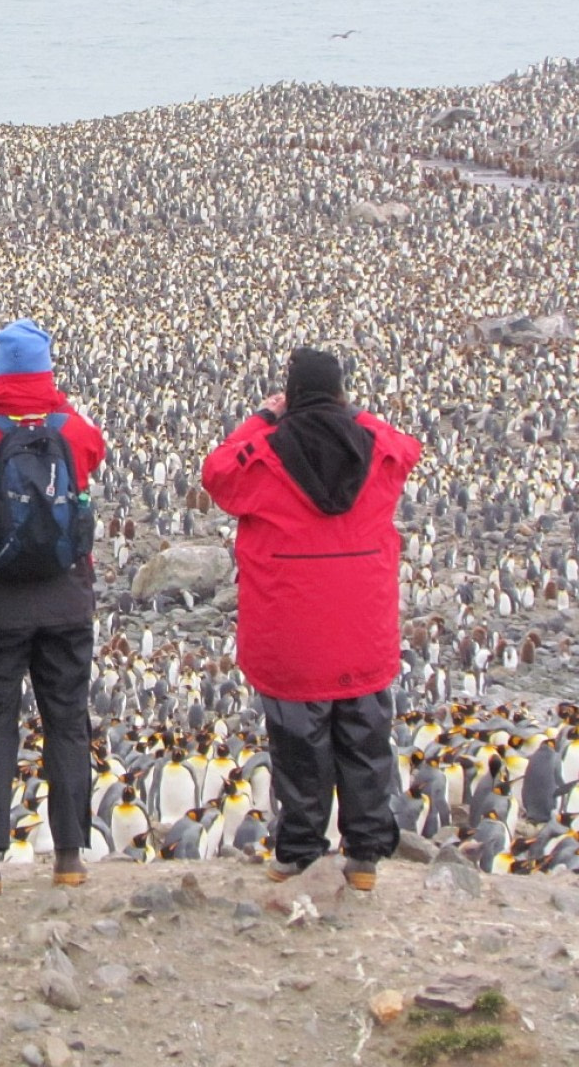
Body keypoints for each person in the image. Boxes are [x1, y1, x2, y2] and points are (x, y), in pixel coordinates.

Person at [201, 347, 421, 890]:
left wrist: (263, 417)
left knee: (300, 749)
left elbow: (217, 474)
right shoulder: (377, 454)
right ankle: (366, 855)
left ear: (292, 394)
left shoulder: (265, 455)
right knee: (366, 741)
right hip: (361, 628)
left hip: (291, 629)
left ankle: (299, 850)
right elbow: (407, 447)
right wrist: (355, 415)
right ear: (341, 393)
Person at [0, 319, 106, 893]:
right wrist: (56, 408)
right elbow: (93, 453)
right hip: (67, 598)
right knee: (66, 723)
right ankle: (69, 856)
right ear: (48, 371)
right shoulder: (74, 428)